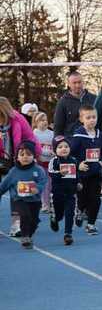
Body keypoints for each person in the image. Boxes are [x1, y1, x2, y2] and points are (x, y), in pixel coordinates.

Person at [0, 97, 42, 237]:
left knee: (16, 191)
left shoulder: (18, 119)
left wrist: (36, 153)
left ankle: (16, 224)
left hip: (16, 158)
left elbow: (30, 137)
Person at [0, 140, 47, 248]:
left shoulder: (38, 170)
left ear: (34, 156)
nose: (25, 157)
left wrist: (38, 188)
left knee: (34, 221)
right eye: (22, 154)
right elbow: (4, 185)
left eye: (28, 154)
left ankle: (29, 235)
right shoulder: (13, 171)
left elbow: (42, 181)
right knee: (25, 215)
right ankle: (25, 236)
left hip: (34, 200)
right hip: (19, 199)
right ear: (17, 157)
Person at [70, 105, 102, 235]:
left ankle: (91, 224)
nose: (92, 120)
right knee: (83, 198)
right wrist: (78, 164)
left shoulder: (100, 136)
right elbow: (70, 154)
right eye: (88, 118)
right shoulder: (78, 136)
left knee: (95, 199)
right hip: (82, 175)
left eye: (94, 117)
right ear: (82, 119)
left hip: (96, 173)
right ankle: (79, 211)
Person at [48, 136, 79, 245]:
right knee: (59, 214)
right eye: (60, 147)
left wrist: (78, 183)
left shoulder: (74, 160)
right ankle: (55, 219)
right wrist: (60, 173)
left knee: (70, 212)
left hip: (70, 193)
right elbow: (51, 173)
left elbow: (77, 175)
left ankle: (68, 234)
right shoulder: (54, 161)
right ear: (55, 150)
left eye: (66, 146)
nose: (64, 149)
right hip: (57, 193)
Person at [53, 71, 97, 137]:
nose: (77, 85)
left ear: (83, 82)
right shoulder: (63, 102)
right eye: (74, 83)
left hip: (91, 139)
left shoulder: (94, 99)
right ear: (69, 84)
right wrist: (58, 142)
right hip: (71, 140)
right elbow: (58, 126)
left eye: (79, 82)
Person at [32, 112, 54, 211]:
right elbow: (34, 148)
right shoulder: (34, 134)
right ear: (36, 122)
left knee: (49, 184)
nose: (44, 122)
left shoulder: (51, 133)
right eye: (41, 120)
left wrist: (53, 152)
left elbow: (55, 146)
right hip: (39, 163)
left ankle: (48, 203)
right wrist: (44, 153)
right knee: (42, 183)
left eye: (45, 120)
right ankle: (43, 204)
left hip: (50, 163)